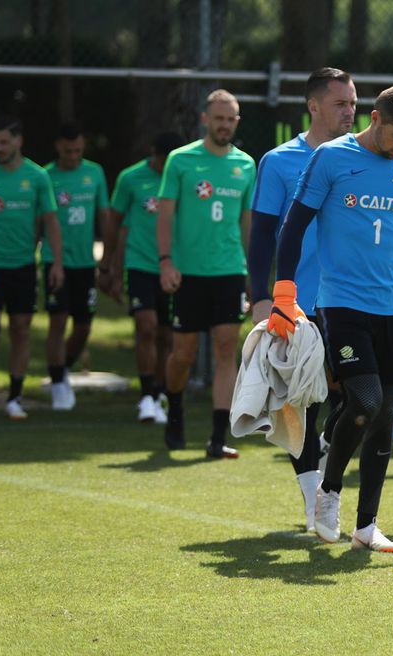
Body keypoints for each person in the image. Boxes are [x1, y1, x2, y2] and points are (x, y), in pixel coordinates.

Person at [270, 85, 393, 553]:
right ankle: (328, 490)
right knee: (366, 400)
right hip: (341, 304)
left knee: (383, 414)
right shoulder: (332, 158)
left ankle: (367, 526)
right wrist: (283, 291)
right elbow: (293, 225)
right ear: (373, 118)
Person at [247, 67, 357, 530]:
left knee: (362, 396)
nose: (351, 112)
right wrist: (259, 297)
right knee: (299, 403)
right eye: (341, 104)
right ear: (313, 106)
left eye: (354, 104)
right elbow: (261, 237)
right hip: (297, 302)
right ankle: (314, 500)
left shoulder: (362, 158)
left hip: (352, 297)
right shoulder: (278, 161)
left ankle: (331, 441)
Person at [157, 88, 256, 458]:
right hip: (188, 273)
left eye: (231, 119)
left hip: (229, 269)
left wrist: (253, 274)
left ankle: (218, 436)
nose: (224, 125)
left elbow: (247, 222)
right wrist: (166, 261)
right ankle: (175, 409)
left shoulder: (246, 164)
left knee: (227, 347)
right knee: (182, 353)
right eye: (219, 118)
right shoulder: (181, 161)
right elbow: (165, 214)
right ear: (205, 119)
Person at [0, 116, 63, 419]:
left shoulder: (37, 177)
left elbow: (50, 220)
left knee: (21, 329)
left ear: (19, 141)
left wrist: (56, 262)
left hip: (23, 266)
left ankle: (14, 396)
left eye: (4, 142)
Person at [105, 131, 184, 424]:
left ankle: (162, 391)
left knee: (166, 334)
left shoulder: (182, 177)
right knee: (146, 326)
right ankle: (147, 396)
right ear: (154, 154)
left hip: (175, 266)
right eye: (163, 160)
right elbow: (114, 221)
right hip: (140, 264)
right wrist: (108, 265)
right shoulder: (130, 178)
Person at [43, 122, 110, 410]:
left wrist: (107, 258)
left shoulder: (94, 172)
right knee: (58, 320)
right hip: (54, 261)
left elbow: (104, 216)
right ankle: (58, 382)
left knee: (83, 326)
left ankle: (63, 367)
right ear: (58, 147)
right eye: (69, 151)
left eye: (79, 150)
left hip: (85, 262)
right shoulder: (46, 176)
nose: (74, 155)